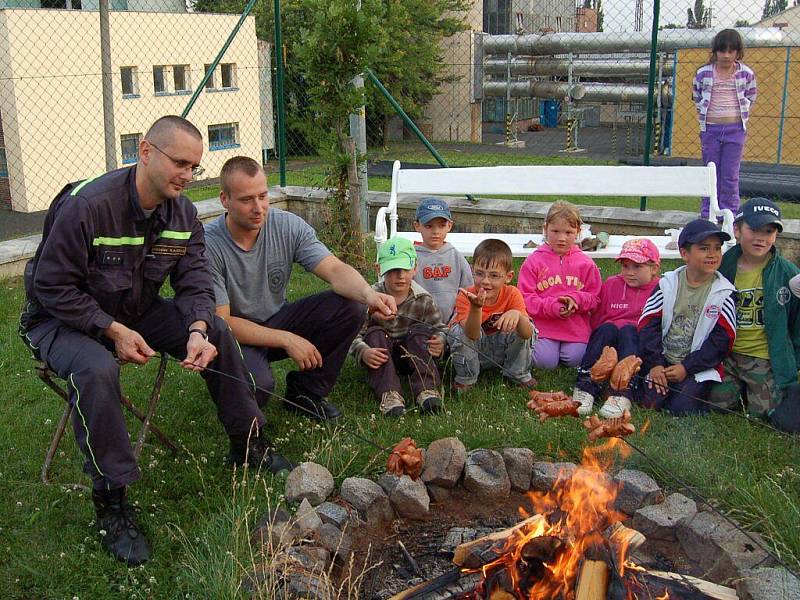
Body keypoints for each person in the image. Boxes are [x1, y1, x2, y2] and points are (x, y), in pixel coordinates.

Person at [18, 116, 292, 567]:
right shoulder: (87, 205)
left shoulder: (182, 214)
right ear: (145, 152)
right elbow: (50, 287)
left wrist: (199, 331)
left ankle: (248, 444)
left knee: (218, 329)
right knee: (96, 368)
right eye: (180, 163)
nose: (187, 175)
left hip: (136, 310)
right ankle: (112, 502)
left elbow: (196, 283)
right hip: (60, 320)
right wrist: (110, 328)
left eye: (195, 167)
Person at [204, 156, 396, 421]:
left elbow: (335, 269)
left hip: (275, 318)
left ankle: (306, 393)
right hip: (233, 336)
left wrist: (369, 294)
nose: (259, 207)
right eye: (247, 200)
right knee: (257, 386)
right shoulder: (207, 246)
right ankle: (236, 389)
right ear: (224, 200)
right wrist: (287, 339)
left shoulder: (286, 225)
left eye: (263, 196)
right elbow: (222, 322)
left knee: (352, 306)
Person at [706, 198, 800, 417]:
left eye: (769, 231)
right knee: (715, 405)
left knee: (765, 413)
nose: (761, 238)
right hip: (727, 354)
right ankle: (738, 388)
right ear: (736, 230)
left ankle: (758, 389)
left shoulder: (787, 274)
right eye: (754, 229)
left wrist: (793, 358)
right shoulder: (723, 265)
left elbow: (797, 320)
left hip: (764, 356)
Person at [638, 219, 736, 415]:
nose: (712, 254)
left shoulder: (724, 292)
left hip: (697, 366)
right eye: (704, 248)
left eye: (717, 248)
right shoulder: (668, 284)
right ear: (684, 254)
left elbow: (722, 341)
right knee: (650, 403)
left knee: (680, 409)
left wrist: (686, 367)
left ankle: (691, 392)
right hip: (663, 359)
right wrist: (656, 363)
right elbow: (649, 325)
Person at [350, 237, 445, 416]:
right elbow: (352, 335)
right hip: (382, 356)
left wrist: (440, 341)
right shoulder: (370, 298)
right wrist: (363, 352)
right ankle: (390, 393)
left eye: (405, 269)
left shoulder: (423, 299)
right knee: (375, 333)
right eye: (393, 270)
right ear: (379, 269)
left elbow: (440, 328)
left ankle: (426, 390)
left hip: (412, 355)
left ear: (415, 267)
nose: (400, 275)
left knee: (420, 332)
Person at [573, 239, 661, 418]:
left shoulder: (660, 289)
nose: (629, 272)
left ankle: (623, 392)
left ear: (654, 268)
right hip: (609, 344)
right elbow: (597, 318)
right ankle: (586, 385)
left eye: (637, 267)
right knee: (606, 328)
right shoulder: (612, 284)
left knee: (629, 331)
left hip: (636, 345)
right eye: (625, 266)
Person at [518, 201, 601, 369]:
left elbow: (595, 298)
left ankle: (565, 351)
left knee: (576, 358)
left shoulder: (586, 263)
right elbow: (524, 298)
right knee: (545, 362)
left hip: (575, 327)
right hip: (544, 327)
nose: (561, 238)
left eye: (569, 232)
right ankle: (547, 350)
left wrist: (575, 300)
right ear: (545, 229)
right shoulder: (534, 261)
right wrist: (553, 307)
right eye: (555, 231)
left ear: (578, 232)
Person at [450, 239, 536, 393]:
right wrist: (476, 308)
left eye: (494, 276)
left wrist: (517, 314)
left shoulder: (512, 294)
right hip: (475, 351)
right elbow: (471, 334)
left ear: (508, 276)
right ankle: (467, 377)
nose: (485, 281)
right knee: (458, 332)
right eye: (480, 273)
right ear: (472, 270)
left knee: (525, 324)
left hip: (502, 350)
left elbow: (527, 334)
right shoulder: (465, 296)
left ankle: (518, 373)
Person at [692, 28, 757, 218]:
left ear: (738, 52)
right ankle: (708, 212)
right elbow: (696, 96)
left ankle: (730, 213)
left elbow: (751, 96)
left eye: (731, 51)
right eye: (722, 51)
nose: (726, 56)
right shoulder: (703, 73)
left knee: (730, 174)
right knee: (711, 172)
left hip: (735, 130)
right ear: (715, 51)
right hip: (710, 130)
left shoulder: (746, 74)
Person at [412, 197, 473, 322]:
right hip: (420, 323)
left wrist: (456, 319)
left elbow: (468, 291)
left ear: (449, 225)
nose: (435, 231)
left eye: (441, 226)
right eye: (429, 226)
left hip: (455, 322)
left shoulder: (456, 257)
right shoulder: (411, 257)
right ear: (417, 226)